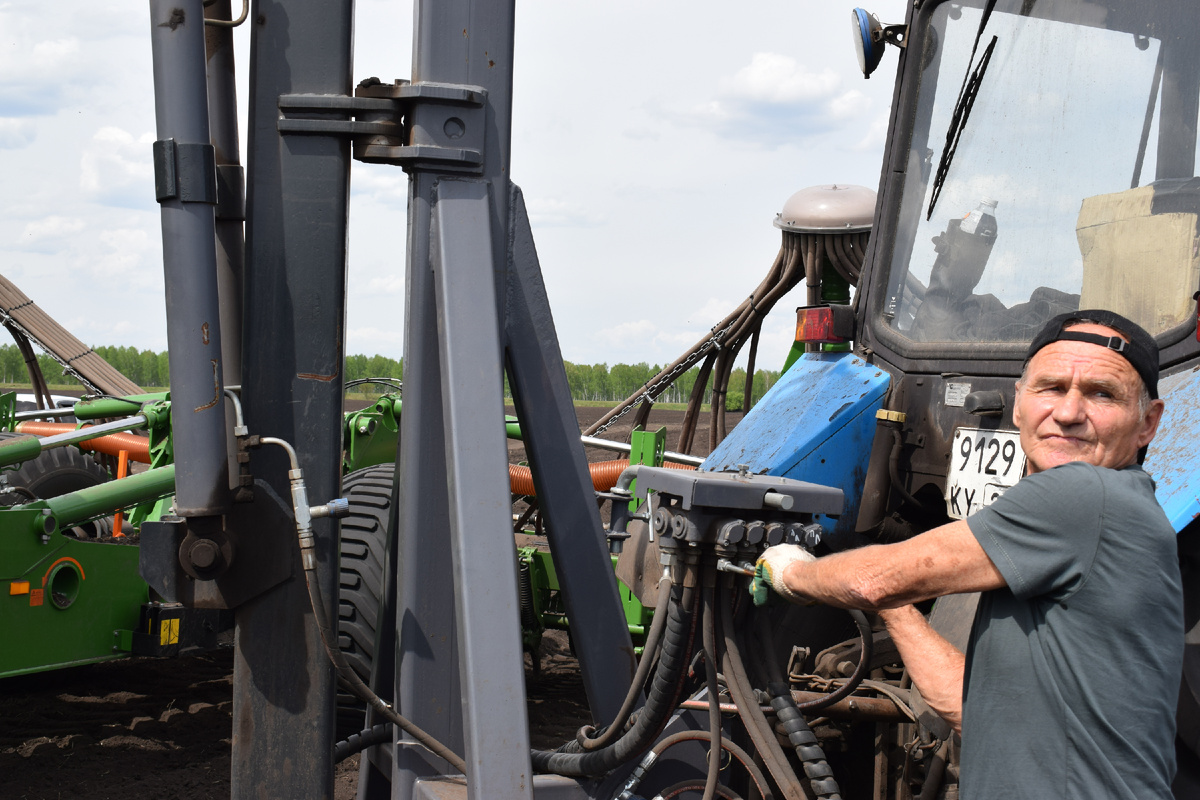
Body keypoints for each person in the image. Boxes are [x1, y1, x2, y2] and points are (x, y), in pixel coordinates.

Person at [757, 309, 1183, 799]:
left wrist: (789, 570)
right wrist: (896, 605)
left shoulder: (1089, 495)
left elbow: (872, 580)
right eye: (1050, 387)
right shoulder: (1085, 529)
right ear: (1018, 403)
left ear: (1148, 422)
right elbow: (973, 708)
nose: (1068, 412)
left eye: (1101, 394)